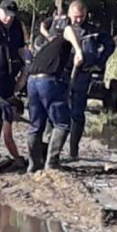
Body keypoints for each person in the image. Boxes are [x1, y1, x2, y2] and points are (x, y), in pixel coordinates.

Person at [45, 0, 116, 161]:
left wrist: (99, 62)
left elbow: (110, 44)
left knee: (77, 112)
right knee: (54, 110)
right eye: (75, 17)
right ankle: (50, 150)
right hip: (61, 74)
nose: (78, 20)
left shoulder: (93, 31)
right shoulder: (59, 28)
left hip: (83, 74)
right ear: (69, 14)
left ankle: (73, 151)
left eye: (81, 17)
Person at [25, 21, 84, 172]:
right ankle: (51, 163)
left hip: (32, 81)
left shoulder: (48, 46)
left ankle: (33, 164)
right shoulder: (64, 38)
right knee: (62, 124)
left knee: (36, 125)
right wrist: (78, 50)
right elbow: (69, 30)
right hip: (48, 81)